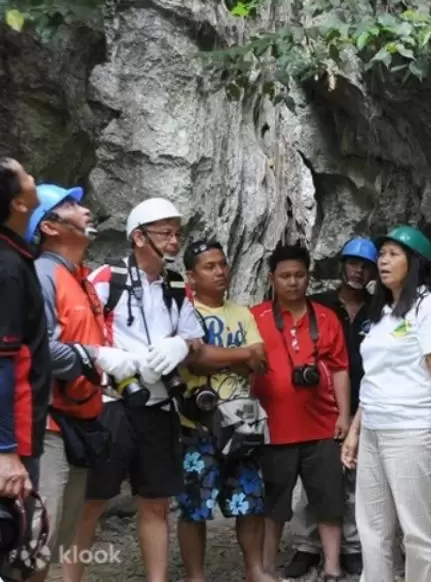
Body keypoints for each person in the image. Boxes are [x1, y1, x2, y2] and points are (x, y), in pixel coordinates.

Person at [80, 198, 216, 582]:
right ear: (138, 237)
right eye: (165, 233)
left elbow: (195, 337)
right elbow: (77, 332)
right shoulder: (108, 279)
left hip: (159, 405)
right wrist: (112, 360)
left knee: (156, 502)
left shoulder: (176, 285)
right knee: (91, 502)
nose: (174, 241)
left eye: (177, 232)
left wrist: (181, 346)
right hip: (113, 404)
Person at [26, 184, 145, 582]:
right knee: (34, 545)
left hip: (80, 424)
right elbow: (39, 350)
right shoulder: (41, 276)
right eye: (72, 206)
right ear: (49, 226)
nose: (86, 210)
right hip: (48, 427)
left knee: (56, 542)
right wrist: (96, 357)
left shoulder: (79, 280)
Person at [341, 226, 431, 582]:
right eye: (382, 254)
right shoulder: (381, 313)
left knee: (417, 531)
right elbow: (373, 378)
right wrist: (354, 432)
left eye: (394, 254)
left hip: (411, 431)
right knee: (372, 527)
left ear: (415, 263)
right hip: (375, 431)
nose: (383, 261)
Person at [175, 240, 276, 582]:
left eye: (222, 264)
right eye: (209, 266)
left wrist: (219, 356)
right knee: (194, 506)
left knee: (250, 501)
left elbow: (261, 359)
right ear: (191, 276)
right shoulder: (184, 313)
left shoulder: (242, 312)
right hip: (197, 425)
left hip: (241, 424)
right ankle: (196, 576)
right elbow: (195, 359)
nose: (220, 272)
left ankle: (255, 571)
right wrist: (240, 355)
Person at [250, 243, 350, 580]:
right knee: (274, 502)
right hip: (273, 426)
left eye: (299, 275)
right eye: (285, 276)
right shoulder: (256, 318)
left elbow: (340, 369)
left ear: (309, 277)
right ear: (272, 279)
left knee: (329, 500)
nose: (293, 282)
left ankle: (333, 567)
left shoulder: (326, 318)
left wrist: (344, 415)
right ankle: (266, 568)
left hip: (322, 425)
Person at [286, 236, 377, 578]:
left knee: (356, 477)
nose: (358, 270)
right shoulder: (318, 305)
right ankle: (306, 546)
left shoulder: (378, 307)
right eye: (353, 263)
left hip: (365, 402)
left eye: (365, 265)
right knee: (315, 477)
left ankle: (351, 546)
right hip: (319, 403)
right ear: (341, 265)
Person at [0, 159, 46, 499]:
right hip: (15, 433)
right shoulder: (8, 267)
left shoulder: (16, 255)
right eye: (26, 174)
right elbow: (2, 362)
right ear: (18, 202)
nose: (33, 176)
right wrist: (6, 450)